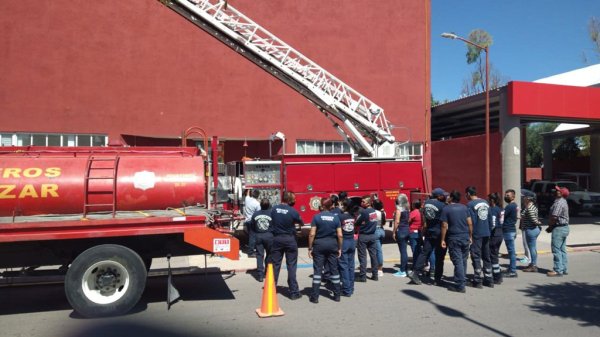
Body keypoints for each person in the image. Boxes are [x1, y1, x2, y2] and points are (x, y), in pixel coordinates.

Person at [408, 188, 448, 286]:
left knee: (425, 253)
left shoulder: (426, 204)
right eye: (443, 195)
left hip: (429, 231)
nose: (445, 196)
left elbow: (424, 219)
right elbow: (444, 222)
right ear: (439, 196)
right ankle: (437, 278)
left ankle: (415, 272)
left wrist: (423, 231)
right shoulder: (443, 205)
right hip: (439, 233)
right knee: (440, 256)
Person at [307, 197, 343, 303]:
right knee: (334, 270)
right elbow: (340, 235)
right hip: (332, 245)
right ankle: (337, 295)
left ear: (322, 205)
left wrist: (310, 248)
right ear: (331, 206)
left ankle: (315, 296)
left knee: (318, 270)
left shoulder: (316, 217)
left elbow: (312, 233)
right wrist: (339, 248)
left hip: (319, 245)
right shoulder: (335, 218)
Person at [270, 191, 304, 299]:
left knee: (275, 265)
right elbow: (301, 222)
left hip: (277, 239)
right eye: (293, 199)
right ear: (289, 200)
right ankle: (294, 292)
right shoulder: (293, 211)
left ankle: (271, 289)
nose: (295, 201)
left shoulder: (274, 209)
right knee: (291, 266)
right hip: (290, 239)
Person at [440, 190, 473, 293]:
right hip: (465, 237)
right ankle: (461, 280)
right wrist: (470, 236)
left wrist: (442, 239)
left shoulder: (446, 209)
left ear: (451, 198)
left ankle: (460, 284)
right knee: (463, 260)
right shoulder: (464, 207)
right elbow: (470, 223)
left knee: (458, 261)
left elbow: (444, 225)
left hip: (454, 238)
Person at [465, 186, 493, 288]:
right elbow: (490, 219)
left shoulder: (470, 204)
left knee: (476, 256)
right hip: (486, 232)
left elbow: (471, 222)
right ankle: (489, 279)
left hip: (477, 233)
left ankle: (477, 280)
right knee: (486, 255)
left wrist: (470, 235)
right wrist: (489, 230)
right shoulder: (485, 202)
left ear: (468, 194)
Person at [546, 185, 570, 277]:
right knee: (562, 249)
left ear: (562, 193)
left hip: (559, 228)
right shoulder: (563, 201)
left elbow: (554, 216)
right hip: (564, 227)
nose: (556, 191)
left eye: (558, 191)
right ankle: (564, 268)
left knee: (556, 249)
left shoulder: (559, 203)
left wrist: (550, 226)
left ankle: (557, 270)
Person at [354, 195, 379, 282]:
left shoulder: (364, 212)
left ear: (368, 203)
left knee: (362, 256)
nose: (361, 203)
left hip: (364, 236)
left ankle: (363, 276)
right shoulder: (373, 211)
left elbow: (357, 222)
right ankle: (375, 275)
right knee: (373, 256)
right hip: (372, 235)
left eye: (363, 202)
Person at [250, 198, 274, 282]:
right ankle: (268, 272)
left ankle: (260, 275)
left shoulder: (255, 214)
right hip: (269, 236)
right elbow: (274, 225)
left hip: (259, 236)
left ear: (260, 205)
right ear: (268, 206)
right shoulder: (272, 214)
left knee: (259, 255)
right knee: (270, 254)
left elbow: (252, 226)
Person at [338, 199, 357, 297]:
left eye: (341, 205)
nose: (340, 206)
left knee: (344, 266)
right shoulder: (353, 216)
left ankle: (346, 289)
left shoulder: (341, 217)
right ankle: (351, 287)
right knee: (351, 265)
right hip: (352, 241)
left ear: (344, 206)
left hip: (345, 241)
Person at [520, 195, 542, 273]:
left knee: (532, 248)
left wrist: (539, 223)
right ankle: (532, 264)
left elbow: (534, 220)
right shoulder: (530, 207)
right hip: (532, 229)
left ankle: (533, 266)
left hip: (531, 229)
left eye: (525, 198)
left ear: (528, 199)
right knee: (532, 247)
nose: (523, 199)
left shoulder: (530, 208)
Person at [502, 189, 519, 278]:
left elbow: (502, 216)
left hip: (509, 230)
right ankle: (511, 269)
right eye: (505, 195)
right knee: (511, 251)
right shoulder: (514, 205)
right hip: (511, 230)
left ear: (513, 196)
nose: (506, 197)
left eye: (508, 195)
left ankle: (513, 271)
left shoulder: (510, 206)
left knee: (511, 252)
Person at [488, 193, 504, 284]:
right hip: (500, 234)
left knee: (492, 256)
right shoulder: (500, 209)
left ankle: (497, 277)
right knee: (495, 255)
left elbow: (493, 224)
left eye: (489, 199)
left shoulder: (493, 209)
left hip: (494, 235)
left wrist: (488, 232)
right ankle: (497, 274)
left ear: (492, 200)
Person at [392, 194, 410, 277]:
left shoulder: (398, 210)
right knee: (405, 251)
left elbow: (397, 222)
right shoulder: (407, 209)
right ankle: (406, 269)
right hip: (407, 230)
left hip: (401, 231)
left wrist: (394, 232)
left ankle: (402, 270)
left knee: (402, 251)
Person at [243, 189, 261, 257]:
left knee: (251, 236)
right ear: (258, 196)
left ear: (252, 194)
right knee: (253, 237)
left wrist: (248, 189)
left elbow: (247, 195)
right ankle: (250, 252)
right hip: (253, 221)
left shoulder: (247, 199)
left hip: (247, 220)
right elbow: (258, 214)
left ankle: (251, 248)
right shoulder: (257, 204)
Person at [408, 200, 423, 270]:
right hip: (419, 232)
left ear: (414, 205)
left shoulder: (414, 212)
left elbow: (408, 220)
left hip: (413, 232)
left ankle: (415, 266)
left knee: (415, 250)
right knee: (419, 249)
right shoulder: (421, 212)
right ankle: (420, 264)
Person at [373, 198, 386, 277]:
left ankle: (380, 269)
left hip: (376, 230)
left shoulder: (374, 213)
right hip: (382, 230)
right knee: (379, 250)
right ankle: (378, 266)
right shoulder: (383, 212)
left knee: (378, 251)